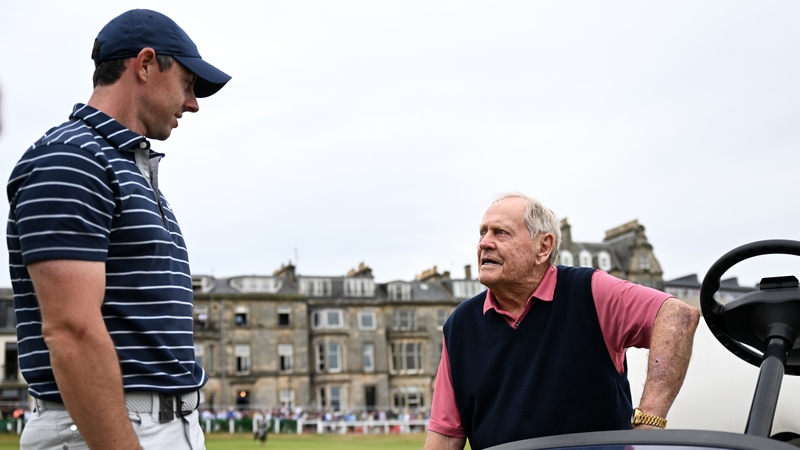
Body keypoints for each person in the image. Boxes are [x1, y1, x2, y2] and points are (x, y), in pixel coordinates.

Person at [6, 9, 230, 450]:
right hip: (108, 429)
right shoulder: (71, 159)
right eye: (187, 83)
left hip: (161, 423)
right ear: (145, 65)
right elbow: (71, 330)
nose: (193, 103)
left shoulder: (124, 167)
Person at [424, 193, 700, 450]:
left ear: (543, 248)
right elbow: (446, 434)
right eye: (483, 232)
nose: (484, 242)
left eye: (501, 233)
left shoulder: (589, 290)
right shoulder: (461, 325)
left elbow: (678, 315)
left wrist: (649, 424)